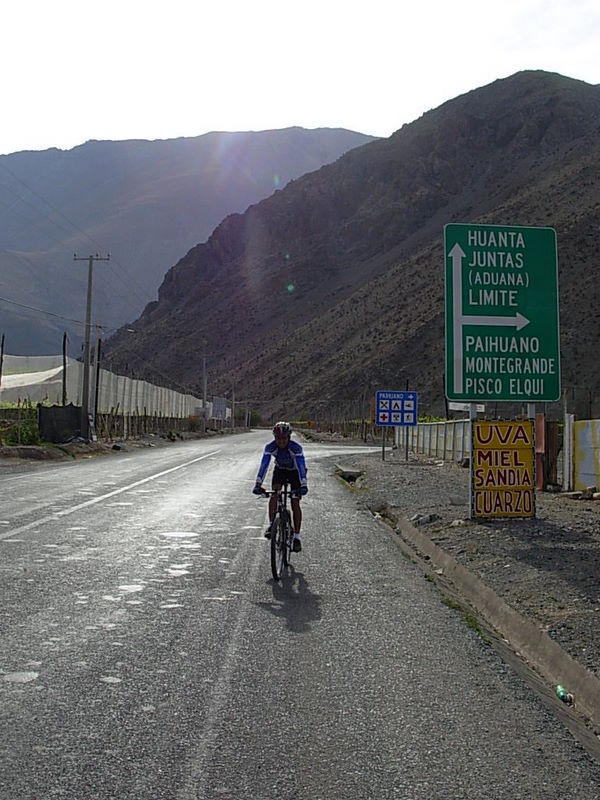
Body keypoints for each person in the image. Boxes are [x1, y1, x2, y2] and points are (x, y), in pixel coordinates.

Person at [252, 421, 308, 551]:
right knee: (275, 494)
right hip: (280, 470)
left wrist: (304, 484)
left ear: (289, 437)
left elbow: (300, 465)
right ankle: (272, 525)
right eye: (278, 438)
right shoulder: (270, 447)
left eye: (284, 438)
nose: (281, 441)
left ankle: (297, 537)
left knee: (295, 502)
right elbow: (264, 465)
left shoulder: (296, 448)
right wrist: (258, 483)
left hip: (295, 472)